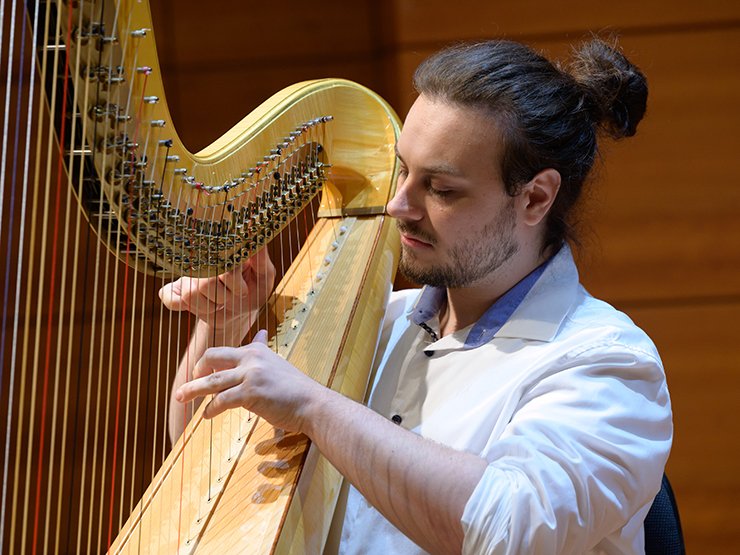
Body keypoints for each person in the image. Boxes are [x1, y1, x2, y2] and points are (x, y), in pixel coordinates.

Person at [159, 38, 672, 555]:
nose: (399, 205)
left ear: (535, 197)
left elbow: (507, 530)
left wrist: (316, 406)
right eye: (403, 169)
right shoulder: (378, 321)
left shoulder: (607, 362)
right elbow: (199, 469)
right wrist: (223, 324)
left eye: (441, 189)